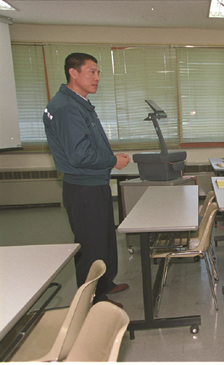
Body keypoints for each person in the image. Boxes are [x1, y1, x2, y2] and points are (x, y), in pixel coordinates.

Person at [43, 53, 130, 307]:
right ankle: (93, 301)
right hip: (84, 188)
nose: (97, 78)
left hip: (93, 183)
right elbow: (79, 154)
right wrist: (112, 160)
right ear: (73, 73)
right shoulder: (67, 108)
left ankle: (105, 283)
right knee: (91, 246)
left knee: (104, 238)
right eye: (91, 72)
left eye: (98, 72)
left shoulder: (77, 102)